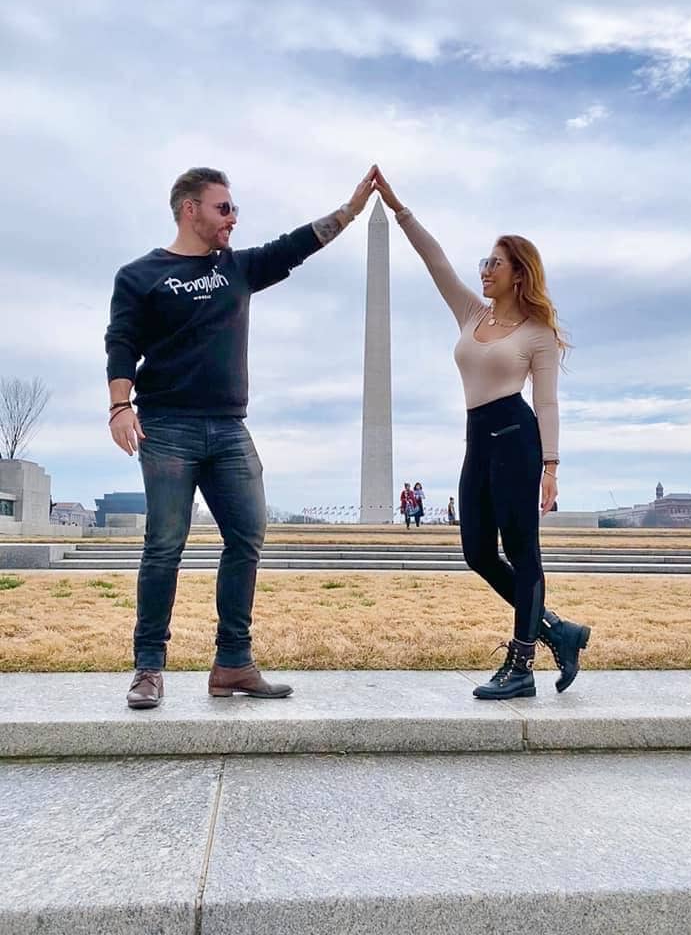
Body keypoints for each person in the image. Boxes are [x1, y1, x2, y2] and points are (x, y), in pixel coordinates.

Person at [106, 165, 377, 709]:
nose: (234, 217)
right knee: (164, 546)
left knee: (248, 535)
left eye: (234, 208)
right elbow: (121, 341)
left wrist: (349, 211)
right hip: (167, 426)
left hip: (229, 427)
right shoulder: (139, 275)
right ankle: (148, 668)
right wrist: (119, 404)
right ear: (190, 209)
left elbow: (295, 246)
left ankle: (233, 663)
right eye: (223, 207)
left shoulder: (239, 268)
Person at [374, 167, 591, 700]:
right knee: (476, 551)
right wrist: (399, 208)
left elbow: (546, 402)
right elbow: (434, 261)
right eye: (484, 262)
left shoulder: (537, 334)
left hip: (517, 441)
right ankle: (557, 631)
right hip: (477, 444)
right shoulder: (472, 313)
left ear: (519, 273)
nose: (484, 270)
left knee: (524, 554)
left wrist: (552, 467)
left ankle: (521, 668)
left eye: (494, 263)